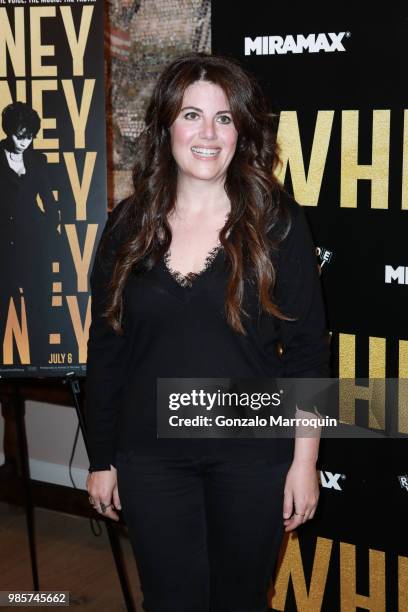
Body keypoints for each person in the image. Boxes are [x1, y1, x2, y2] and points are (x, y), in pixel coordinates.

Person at [86, 53, 330, 612]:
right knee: (170, 601)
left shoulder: (278, 223)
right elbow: (107, 350)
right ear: (165, 124)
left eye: (224, 118)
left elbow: (308, 354)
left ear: (241, 130)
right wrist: (102, 459)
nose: (208, 133)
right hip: (149, 459)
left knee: (240, 602)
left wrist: (303, 462)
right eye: (192, 114)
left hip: (252, 459)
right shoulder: (127, 226)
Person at [0, 102, 60, 365]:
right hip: (3, 248)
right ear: (8, 130)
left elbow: (50, 202)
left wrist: (48, 233)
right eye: (20, 135)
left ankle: (41, 367)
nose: (25, 141)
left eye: (30, 135)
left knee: (38, 312)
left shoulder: (38, 159)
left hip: (34, 247)